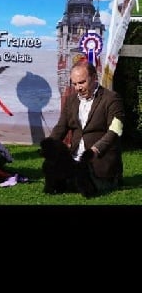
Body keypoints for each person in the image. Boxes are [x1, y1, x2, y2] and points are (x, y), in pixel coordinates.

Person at [43, 60, 125, 197]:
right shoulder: (70, 100)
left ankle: (110, 179)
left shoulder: (112, 99)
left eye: (82, 82)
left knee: (83, 185)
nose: (78, 88)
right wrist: (49, 146)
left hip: (97, 162)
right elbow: (61, 127)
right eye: (74, 84)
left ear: (94, 78)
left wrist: (95, 149)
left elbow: (115, 130)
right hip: (74, 162)